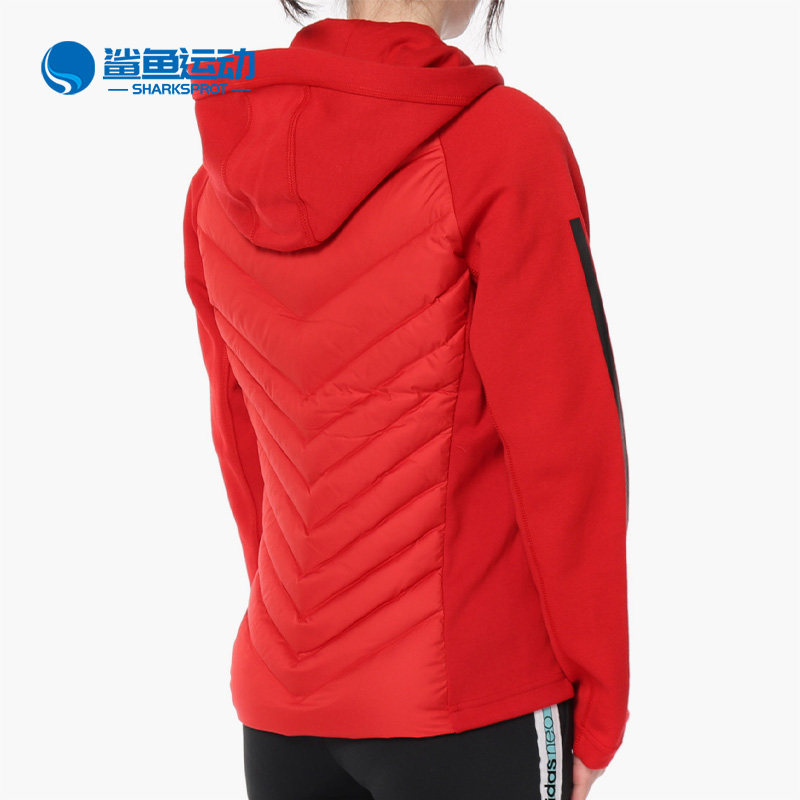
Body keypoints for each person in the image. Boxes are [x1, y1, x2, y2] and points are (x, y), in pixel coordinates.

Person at [182, 1, 630, 798]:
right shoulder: (503, 144)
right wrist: (601, 703)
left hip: (284, 713)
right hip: (467, 708)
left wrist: (306, 651)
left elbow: (241, 442)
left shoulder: (221, 179)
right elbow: (566, 446)